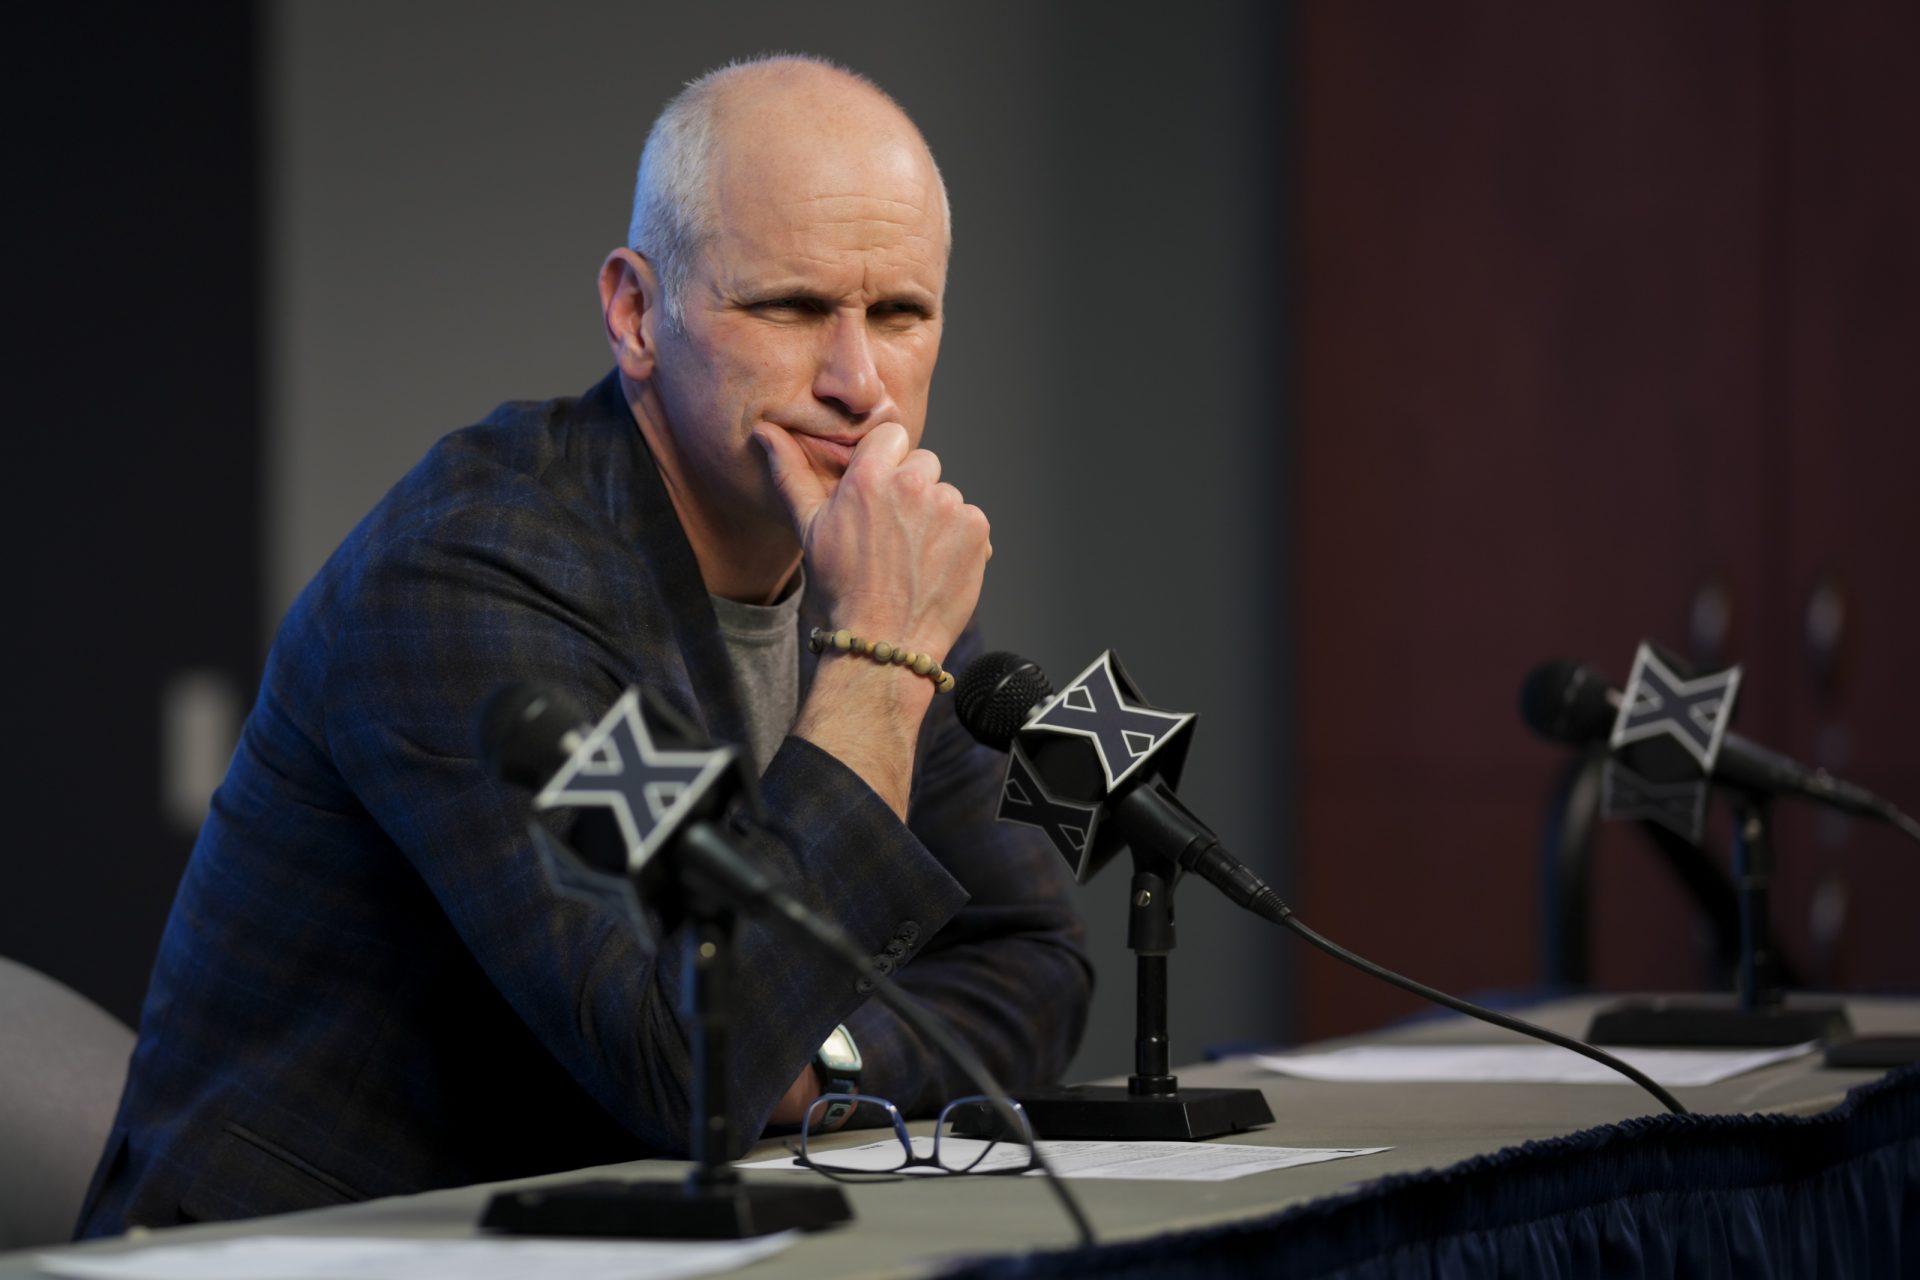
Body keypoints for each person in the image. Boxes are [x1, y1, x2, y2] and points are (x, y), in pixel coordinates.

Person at [76, 55, 1091, 1236]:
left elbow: (1030, 963)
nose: (858, 380)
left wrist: (814, 1065)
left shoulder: (858, 572)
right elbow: (686, 1061)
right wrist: (874, 662)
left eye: (901, 314)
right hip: (310, 1252)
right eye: (791, 307)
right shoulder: (478, 580)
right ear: (634, 313)